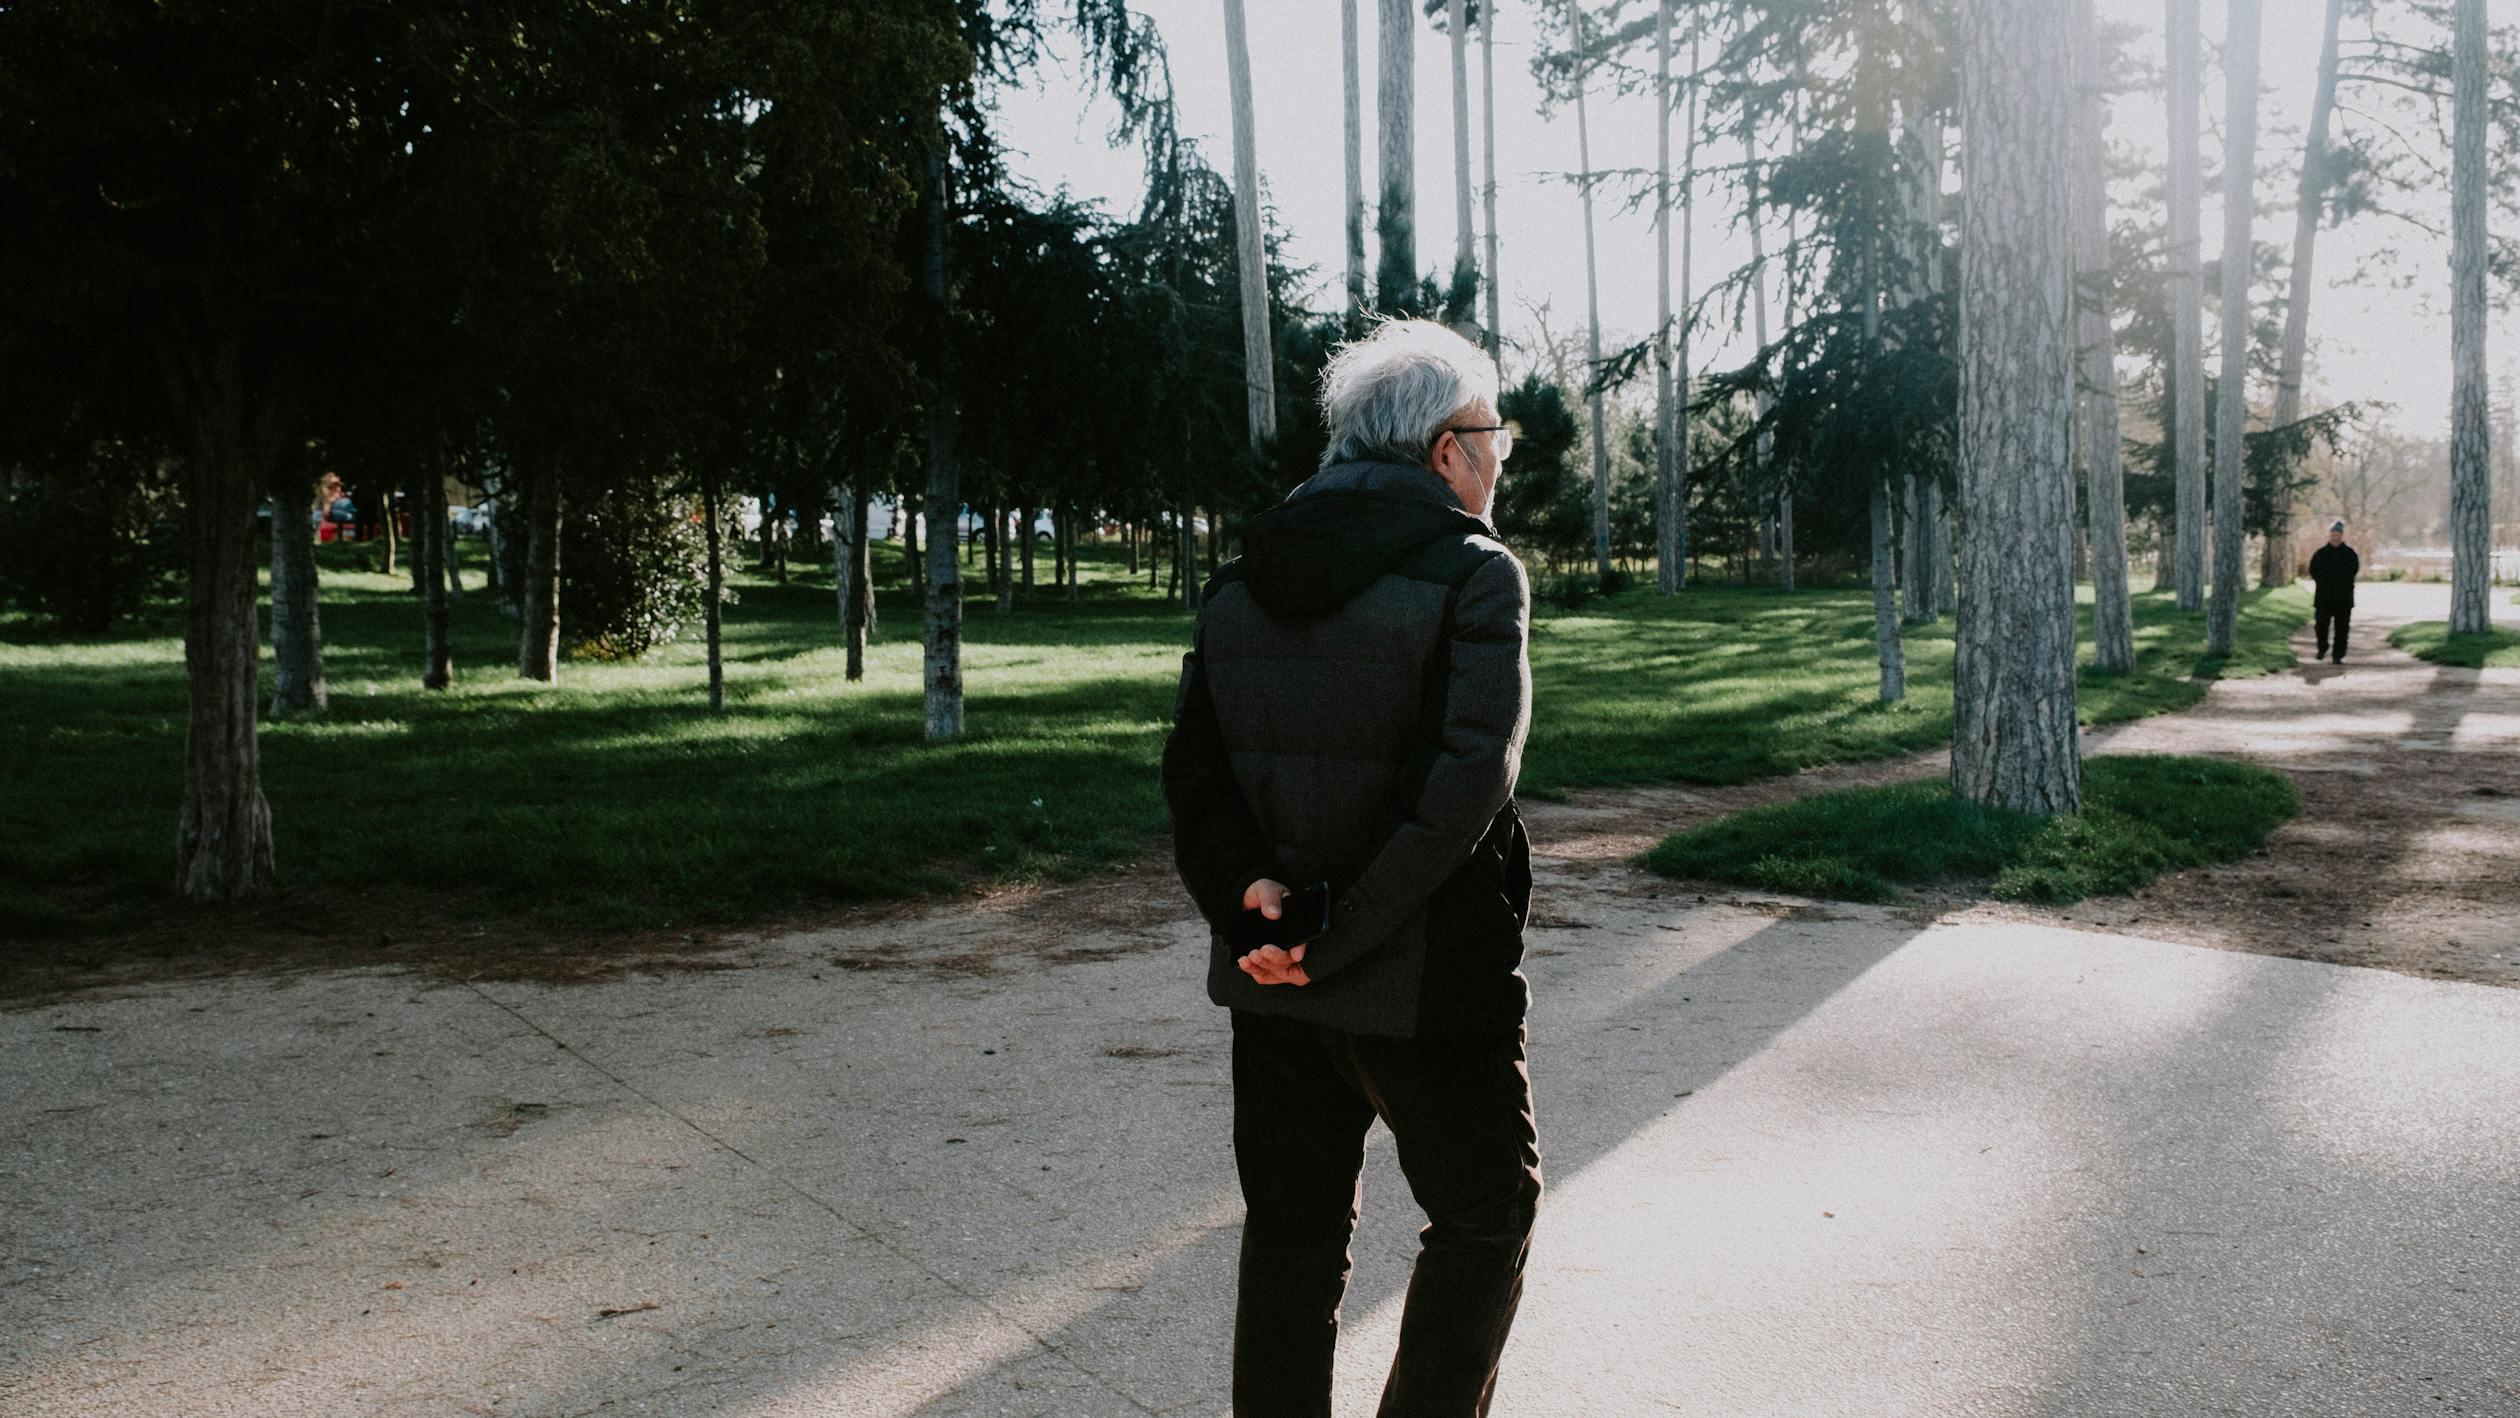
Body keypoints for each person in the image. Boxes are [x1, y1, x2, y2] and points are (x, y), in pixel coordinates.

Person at [1161, 318, 1541, 1418]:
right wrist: (1328, 931)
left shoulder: (1244, 574)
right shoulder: (1476, 575)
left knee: (1291, 1236)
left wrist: (1255, 916)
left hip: (1274, 983)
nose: (1497, 459)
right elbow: (1463, 787)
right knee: (1484, 1215)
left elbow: (1196, 772)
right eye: (1493, 437)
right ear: (1441, 450)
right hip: (1423, 983)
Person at [2308, 519, 2360, 664]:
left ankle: (2338, 655)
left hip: (2343, 598)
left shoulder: (2350, 554)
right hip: (2324, 597)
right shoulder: (2320, 554)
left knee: (2342, 629)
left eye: (2338, 534)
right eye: (2333, 534)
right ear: (2330, 535)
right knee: (2321, 625)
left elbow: (2353, 571)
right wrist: (2323, 581)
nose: (2335, 537)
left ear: (2342, 536)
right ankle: (2322, 648)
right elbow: (2313, 571)